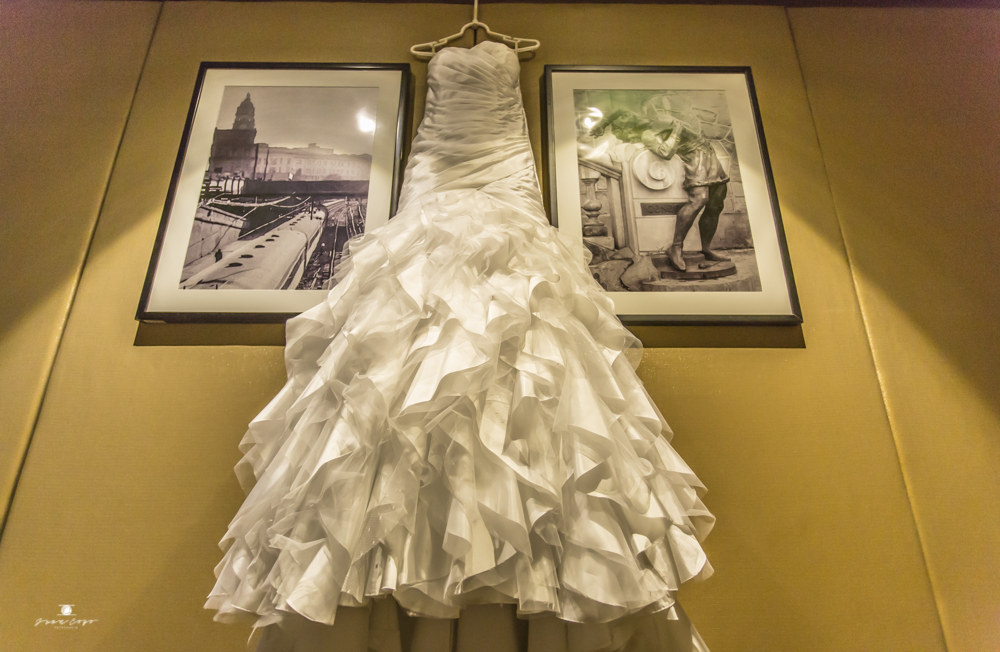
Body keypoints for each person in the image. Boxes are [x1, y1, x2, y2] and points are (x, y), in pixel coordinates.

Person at [206, 42, 713, 652]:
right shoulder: (494, 57)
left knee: (468, 378)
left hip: (498, 194)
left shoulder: (456, 60)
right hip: (444, 193)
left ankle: (444, 564)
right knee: (475, 381)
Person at [590, 97, 730, 272]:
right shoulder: (647, 134)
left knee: (716, 204)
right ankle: (676, 247)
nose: (629, 116)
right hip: (695, 159)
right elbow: (666, 152)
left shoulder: (648, 118)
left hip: (709, 155)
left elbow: (619, 109)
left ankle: (706, 248)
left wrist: (602, 123)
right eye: (626, 120)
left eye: (627, 116)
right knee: (699, 200)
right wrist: (676, 131)